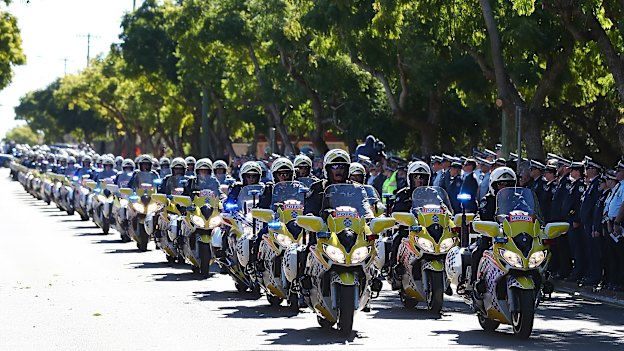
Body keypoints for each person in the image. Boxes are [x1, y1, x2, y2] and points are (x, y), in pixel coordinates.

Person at [472, 167, 517, 294]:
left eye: (508, 184)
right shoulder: (488, 200)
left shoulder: (518, 200)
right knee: (478, 252)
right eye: (501, 184)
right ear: (494, 185)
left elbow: (530, 213)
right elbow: (484, 216)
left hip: (514, 237)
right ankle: (475, 284)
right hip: (493, 237)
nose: (504, 187)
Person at [388, 161, 431, 284]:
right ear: (410, 178)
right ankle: (394, 269)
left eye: (423, 177)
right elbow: (395, 213)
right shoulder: (403, 194)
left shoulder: (433, 193)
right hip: (407, 231)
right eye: (416, 177)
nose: (420, 180)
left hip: (428, 230)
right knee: (397, 239)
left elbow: (443, 208)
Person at [580, 158, 603, 287]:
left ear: (594, 170)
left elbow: (596, 207)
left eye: (588, 168)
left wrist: (595, 225)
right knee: (589, 250)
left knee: (594, 251)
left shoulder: (596, 185)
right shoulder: (591, 184)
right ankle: (591, 273)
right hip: (587, 223)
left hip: (591, 223)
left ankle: (595, 276)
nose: (586, 171)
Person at [562, 161, 586, 283]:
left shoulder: (580, 185)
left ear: (577, 171)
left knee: (578, 249)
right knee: (573, 248)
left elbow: (578, 204)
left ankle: (578, 272)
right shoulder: (574, 184)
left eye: (572, 170)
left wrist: (576, 219)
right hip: (570, 220)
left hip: (575, 221)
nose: (570, 172)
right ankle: (575, 271)